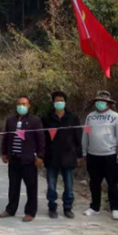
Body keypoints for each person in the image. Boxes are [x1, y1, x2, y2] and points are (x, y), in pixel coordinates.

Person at [82, 90, 118, 220]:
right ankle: (95, 207)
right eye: (98, 101)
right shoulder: (90, 117)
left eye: (103, 101)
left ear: (108, 103)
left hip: (110, 155)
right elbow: (85, 135)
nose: (100, 103)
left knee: (112, 183)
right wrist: (84, 151)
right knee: (94, 183)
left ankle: (115, 208)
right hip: (92, 155)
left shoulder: (116, 117)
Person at [0, 96, 45, 222]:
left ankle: (30, 212)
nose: (21, 106)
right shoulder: (10, 120)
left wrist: (40, 156)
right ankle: (10, 209)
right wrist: (4, 153)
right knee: (13, 186)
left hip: (29, 159)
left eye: (24, 104)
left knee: (31, 187)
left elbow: (41, 139)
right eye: (19, 104)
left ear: (29, 105)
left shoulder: (35, 120)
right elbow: (6, 137)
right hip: (14, 158)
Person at [42, 91, 82, 219]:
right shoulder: (46, 118)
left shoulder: (73, 118)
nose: (59, 102)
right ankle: (52, 207)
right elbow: (43, 138)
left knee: (69, 186)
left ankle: (68, 207)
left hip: (69, 155)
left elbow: (78, 136)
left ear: (65, 102)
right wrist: (41, 155)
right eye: (57, 100)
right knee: (51, 186)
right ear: (53, 102)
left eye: (61, 100)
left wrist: (79, 154)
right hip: (51, 156)